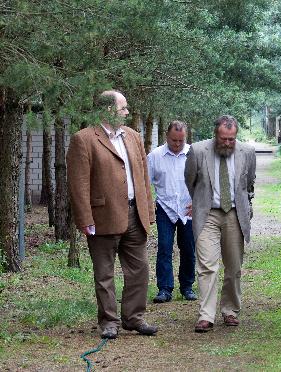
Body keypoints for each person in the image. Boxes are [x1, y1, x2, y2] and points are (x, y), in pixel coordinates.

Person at [67, 90, 158, 339]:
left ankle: (134, 318)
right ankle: (109, 322)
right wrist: (85, 219)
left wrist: (148, 210)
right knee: (104, 273)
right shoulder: (83, 139)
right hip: (102, 217)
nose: (127, 113)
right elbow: (78, 183)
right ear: (108, 110)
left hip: (134, 214)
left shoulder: (134, 137)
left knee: (139, 270)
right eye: (123, 108)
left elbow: (143, 178)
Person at [184, 115, 256, 333]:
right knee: (207, 265)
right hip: (208, 214)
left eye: (231, 139)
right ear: (215, 134)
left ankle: (230, 310)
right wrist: (200, 203)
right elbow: (190, 180)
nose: (227, 143)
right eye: (223, 139)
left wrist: (247, 204)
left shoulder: (248, 152)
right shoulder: (197, 151)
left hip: (234, 214)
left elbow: (249, 182)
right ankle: (206, 315)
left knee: (234, 267)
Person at [147, 120, 197, 303]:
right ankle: (165, 289)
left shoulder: (194, 154)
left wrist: (198, 201)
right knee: (164, 248)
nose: (177, 144)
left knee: (188, 249)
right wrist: (148, 205)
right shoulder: (155, 156)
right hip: (164, 209)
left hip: (188, 209)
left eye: (180, 141)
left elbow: (204, 181)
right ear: (166, 137)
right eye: (173, 140)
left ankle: (187, 286)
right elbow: (145, 183)